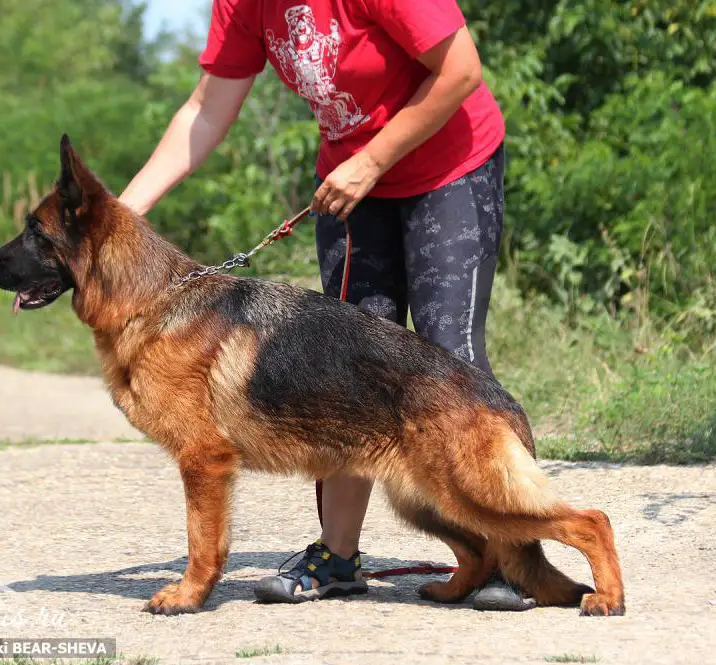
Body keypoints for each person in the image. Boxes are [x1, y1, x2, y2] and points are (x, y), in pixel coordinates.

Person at [119, 0, 531, 611]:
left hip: (450, 165)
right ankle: (337, 558)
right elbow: (205, 109)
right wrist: (121, 217)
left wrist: (371, 159)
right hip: (350, 187)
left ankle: (510, 557)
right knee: (345, 373)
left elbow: (461, 70)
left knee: (451, 356)